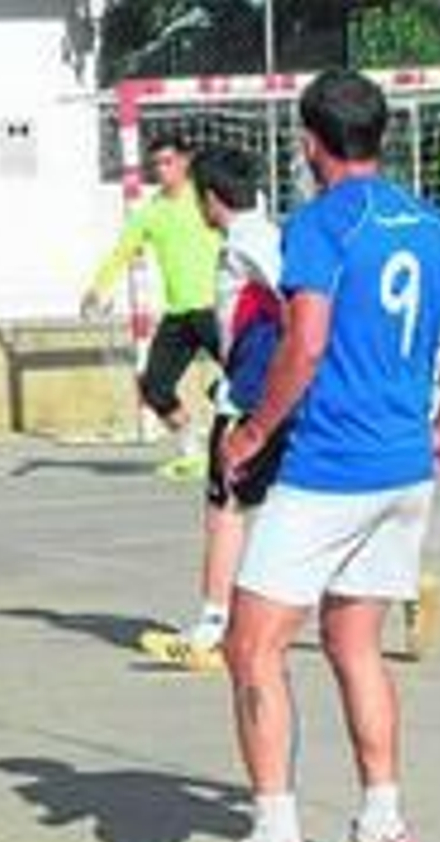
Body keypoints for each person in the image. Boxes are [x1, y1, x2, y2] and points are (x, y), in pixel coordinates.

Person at [186, 70, 440, 842]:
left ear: (308, 143)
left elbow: (307, 343)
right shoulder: (433, 225)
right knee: (353, 642)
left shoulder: (321, 225)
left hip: (331, 470)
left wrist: (253, 431)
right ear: (381, 135)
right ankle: (383, 829)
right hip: (404, 470)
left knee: (251, 644)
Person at [139, 145, 284, 671]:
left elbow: (294, 299)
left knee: (224, 510)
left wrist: (260, 369)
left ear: (211, 199)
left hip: (251, 396)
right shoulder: (263, 230)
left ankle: (210, 630)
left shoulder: (249, 242)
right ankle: (407, 586)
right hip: (272, 387)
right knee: (311, 506)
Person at [82, 133, 222, 480]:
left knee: (252, 380)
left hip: (217, 309)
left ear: (185, 161)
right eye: (156, 164)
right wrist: (96, 290)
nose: (162, 170)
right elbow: (122, 253)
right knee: (153, 387)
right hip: (179, 315)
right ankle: (194, 455)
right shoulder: (151, 212)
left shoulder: (207, 199)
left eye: (168, 162)